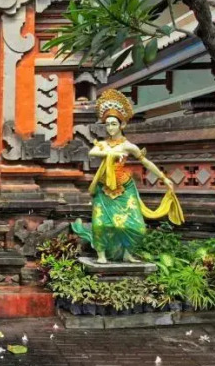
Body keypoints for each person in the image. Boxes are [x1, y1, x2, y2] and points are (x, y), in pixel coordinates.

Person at [72, 89, 184, 263]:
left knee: (135, 226)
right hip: (104, 187)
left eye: (113, 124)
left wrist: (164, 178)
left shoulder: (129, 146)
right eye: (107, 124)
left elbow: (146, 163)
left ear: (122, 125)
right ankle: (101, 255)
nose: (110, 128)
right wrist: (112, 153)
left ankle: (127, 253)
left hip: (124, 187)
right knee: (101, 223)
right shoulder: (103, 144)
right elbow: (92, 152)